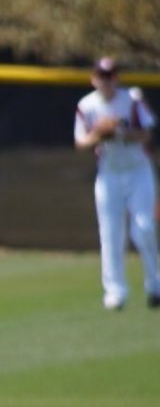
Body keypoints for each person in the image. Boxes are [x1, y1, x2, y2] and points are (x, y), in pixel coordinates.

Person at [73, 56, 160, 311]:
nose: (106, 81)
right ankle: (115, 292)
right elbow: (80, 143)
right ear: (93, 79)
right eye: (101, 76)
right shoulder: (86, 105)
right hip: (109, 174)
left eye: (110, 76)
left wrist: (121, 132)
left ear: (117, 78)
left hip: (138, 171)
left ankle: (155, 285)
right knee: (111, 234)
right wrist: (99, 135)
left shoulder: (131, 99)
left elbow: (147, 133)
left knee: (143, 228)